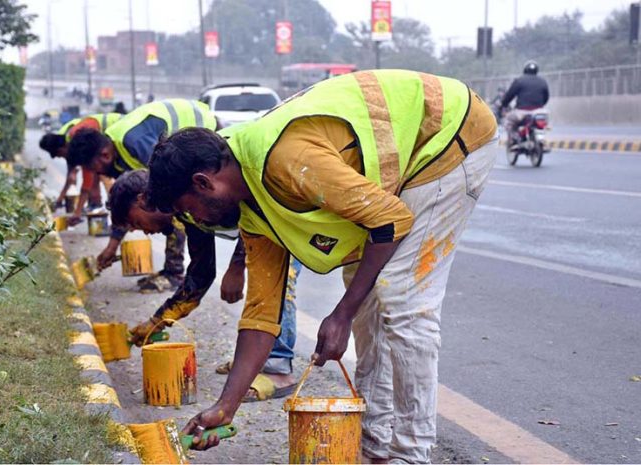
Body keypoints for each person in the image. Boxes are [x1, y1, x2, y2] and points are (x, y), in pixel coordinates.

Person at [146, 69, 498, 462]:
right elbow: (263, 314)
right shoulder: (253, 211)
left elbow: (390, 221)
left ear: (202, 183)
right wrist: (225, 406)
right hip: (399, 174)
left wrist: (341, 313)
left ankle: (412, 453)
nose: (198, 222)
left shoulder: (285, 160)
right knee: (367, 305)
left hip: (446, 135)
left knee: (402, 299)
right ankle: (373, 444)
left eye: (187, 211)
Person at [110, 170, 301, 400]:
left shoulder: (191, 190)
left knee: (277, 280)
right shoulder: (185, 212)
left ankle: (278, 369)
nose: (146, 232)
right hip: (262, 225)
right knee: (262, 286)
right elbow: (201, 273)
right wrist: (157, 321)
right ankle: (257, 360)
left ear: (142, 199)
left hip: (282, 216)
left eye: (135, 222)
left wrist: (237, 266)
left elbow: (254, 204)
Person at [66, 99, 217, 292]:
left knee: (171, 203)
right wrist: (112, 246)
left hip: (201, 128)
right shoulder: (116, 154)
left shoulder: (135, 144)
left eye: (92, 168)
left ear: (103, 155)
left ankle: (174, 273)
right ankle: (172, 270)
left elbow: (166, 192)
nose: (96, 173)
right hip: (185, 143)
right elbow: (126, 205)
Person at [39, 113, 123, 211]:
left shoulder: (81, 144)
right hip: (109, 141)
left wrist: (78, 211)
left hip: (120, 130)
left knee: (106, 176)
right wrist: (60, 199)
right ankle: (99, 204)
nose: (63, 158)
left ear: (61, 149)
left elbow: (87, 181)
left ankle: (116, 209)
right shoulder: (67, 140)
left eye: (60, 155)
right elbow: (70, 177)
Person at [500, 60, 549, 147]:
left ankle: (515, 139)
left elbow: (510, 95)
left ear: (525, 70)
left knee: (508, 121)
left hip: (522, 112)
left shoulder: (519, 81)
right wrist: (540, 106)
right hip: (539, 111)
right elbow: (546, 97)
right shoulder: (543, 81)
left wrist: (504, 104)